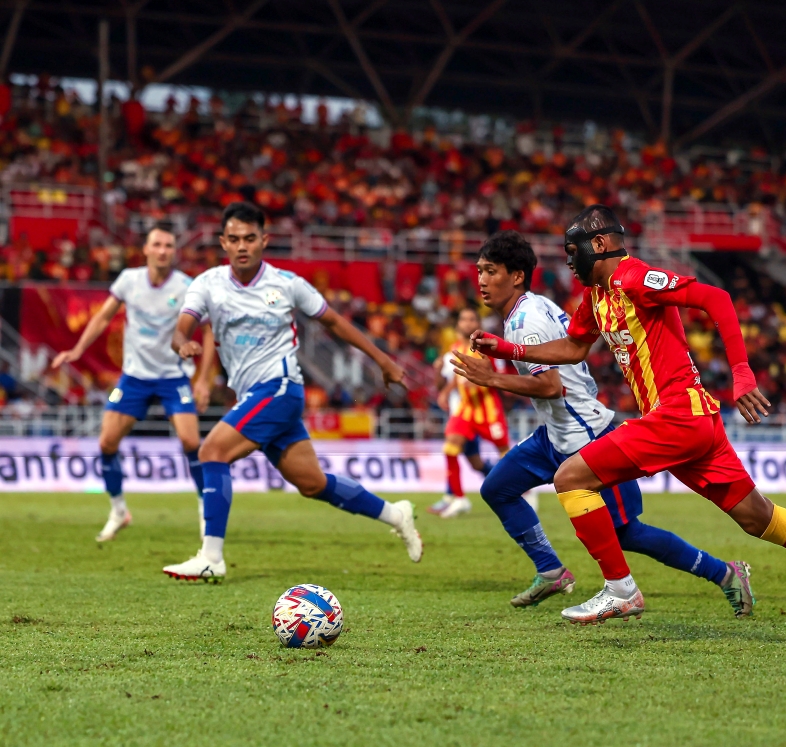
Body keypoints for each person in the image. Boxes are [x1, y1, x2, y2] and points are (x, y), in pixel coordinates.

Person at [471, 205, 786, 642]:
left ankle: (620, 590)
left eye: (572, 251)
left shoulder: (633, 278)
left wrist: (742, 374)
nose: (568, 261)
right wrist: (510, 352)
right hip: (693, 423)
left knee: (570, 479)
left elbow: (717, 299)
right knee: (758, 518)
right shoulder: (597, 296)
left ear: (598, 245)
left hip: (676, 414)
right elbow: (572, 348)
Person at [452, 231, 755, 616]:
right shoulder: (532, 308)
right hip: (554, 436)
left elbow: (550, 386)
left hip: (585, 434)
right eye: (478, 271)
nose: (480, 280)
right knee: (498, 487)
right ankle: (551, 570)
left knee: (627, 532)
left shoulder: (524, 322)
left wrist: (492, 378)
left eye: (490, 271)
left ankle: (725, 574)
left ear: (516, 277)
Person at [162, 202, 421, 581]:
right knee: (312, 484)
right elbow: (182, 327)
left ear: (264, 240)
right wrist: (182, 342)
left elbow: (334, 322)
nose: (242, 246)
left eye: (250, 238)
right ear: (222, 243)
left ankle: (211, 557)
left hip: (280, 387)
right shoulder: (208, 284)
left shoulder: (287, 284)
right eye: (233, 239)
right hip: (252, 395)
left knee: (211, 451)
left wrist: (381, 359)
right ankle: (395, 514)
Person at [51, 225, 214, 542]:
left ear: (174, 251)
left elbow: (209, 331)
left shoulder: (186, 287)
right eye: (158, 244)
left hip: (173, 376)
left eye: (169, 245)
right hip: (134, 377)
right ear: (147, 250)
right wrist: (78, 350)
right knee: (106, 443)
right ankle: (118, 511)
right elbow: (101, 318)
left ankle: (206, 513)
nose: (163, 250)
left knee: (192, 443)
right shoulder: (128, 280)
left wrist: (203, 380)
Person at [430, 306, 512, 519]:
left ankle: (519, 489)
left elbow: (501, 376)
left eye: (471, 319)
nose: (467, 323)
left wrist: (483, 382)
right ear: (458, 324)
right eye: (463, 319)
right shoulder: (455, 348)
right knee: (450, 447)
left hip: (488, 409)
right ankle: (457, 498)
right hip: (465, 410)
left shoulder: (488, 348)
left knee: (503, 454)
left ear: (478, 324)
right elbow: (457, 379)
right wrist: (446, 393)